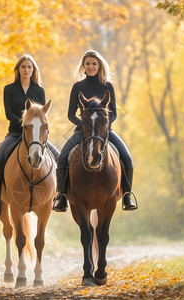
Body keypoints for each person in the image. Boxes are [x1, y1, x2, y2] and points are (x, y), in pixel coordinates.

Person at [52, 50, 137, 212]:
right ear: (83, 66)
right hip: (82, 131)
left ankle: (127, 195)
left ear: (99, 66)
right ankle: (61, 196)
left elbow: (114, 113)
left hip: (104, 132)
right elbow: (70, 114)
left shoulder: (107, 86)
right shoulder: (77, 87)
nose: (91, 66)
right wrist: (84, 125)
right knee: (63, 157)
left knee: (127, 158)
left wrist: (103, 127)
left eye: (94, 64)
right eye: (88, 64)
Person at [0, 55, 59, 216]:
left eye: (29, 67)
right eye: (23, 67)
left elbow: (42, 115)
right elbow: (8, 113)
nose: (26, 70)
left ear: (33, 70)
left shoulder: (39, 90)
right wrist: (25, 124)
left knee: (60, 158)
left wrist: (36, 128)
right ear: (18, 69)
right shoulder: (9, 89)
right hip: (15, 133)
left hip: (36, 137)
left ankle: (59, 196)